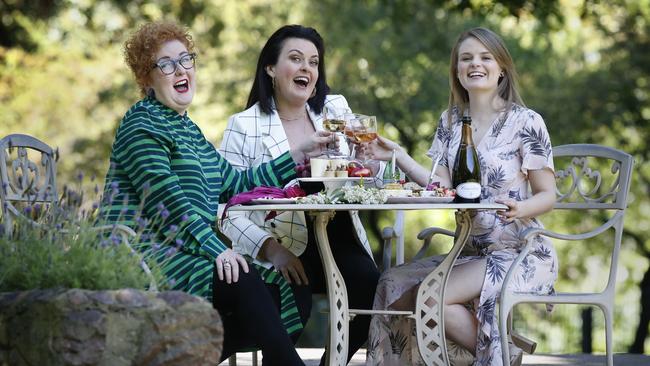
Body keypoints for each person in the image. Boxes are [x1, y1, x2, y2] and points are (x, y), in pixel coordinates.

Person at [101, 20, 330, 365]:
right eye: (166, 64)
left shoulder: (188, 129)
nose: (180, 70)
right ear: (146, 78)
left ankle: (181, 358)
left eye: (186, 60)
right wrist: (218, 251)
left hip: (185, 247)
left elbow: (236, 185)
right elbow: (171, 206)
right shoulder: (141, 125)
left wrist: (299, 154)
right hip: (145, 251)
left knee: (292, 287)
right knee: (243, 277)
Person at [365, 27, 557, 366]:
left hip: (517, 252)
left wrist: (521, 208)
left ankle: (502, 355)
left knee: (430, 298)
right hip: (467, 252)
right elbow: (439, 188)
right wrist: (398, 156)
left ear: (502, 68)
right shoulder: (451, 121)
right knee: (391, 283)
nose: (475, 64)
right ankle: (501, 349)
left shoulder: (526, 122)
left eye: (485, 57)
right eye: (466, 58)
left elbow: (548, 196)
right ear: (457, 70)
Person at [219, 24, 380, 364]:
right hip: (282, 242)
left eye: (314, 62)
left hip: (339, 239)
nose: (307, 68)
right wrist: (271, 250)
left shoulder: (334, 110)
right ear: (271, 68)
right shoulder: (244, 126)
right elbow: (225, 207)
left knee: (371, 290)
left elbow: (367, 176)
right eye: (296, 59)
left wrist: (367, 164)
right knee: (295, 304)